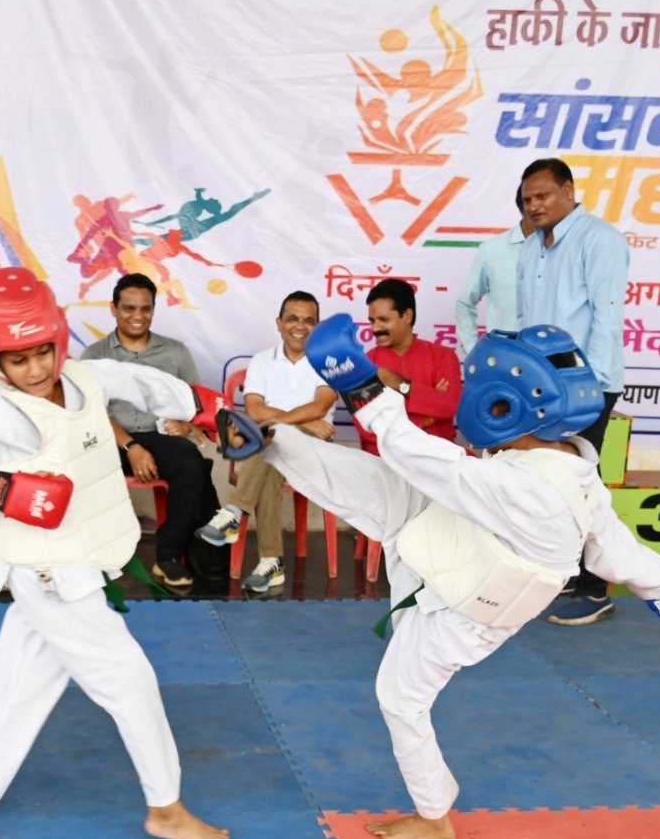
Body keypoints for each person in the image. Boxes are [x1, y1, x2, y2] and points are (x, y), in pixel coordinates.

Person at [220, 316, 660, 839]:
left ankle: (434, 818)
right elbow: (611, 545)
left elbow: (421, 454)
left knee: (400, 698)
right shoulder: (572, 467)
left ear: (505, 406)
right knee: (385, 485)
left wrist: (361, 387)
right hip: (460, 551)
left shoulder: (522, 485)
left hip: (469, 609)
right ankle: (272, 440)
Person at [0, 266, 229, 839]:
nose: (36, 369)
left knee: (22, 687)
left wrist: (206, 407)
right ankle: (166, 807)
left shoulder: (85, 376)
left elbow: (140, 381)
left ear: (58, 341)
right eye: (18, 360)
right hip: (47, 567)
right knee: (130, 678)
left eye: (43, 352)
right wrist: (3, 488)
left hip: (85, 553)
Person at [517, 157, 631, 626]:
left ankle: (595, 588)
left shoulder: (599, 239)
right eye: (528, 199)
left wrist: (593, 386)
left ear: (568, 190)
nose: (534, 205)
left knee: (585, 485)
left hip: (584, 385)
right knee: (548, 481)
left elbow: (607, 316)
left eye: (542, 196)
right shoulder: (531, 247)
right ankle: (569, 571)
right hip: (541, 384)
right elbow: (525, 320)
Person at [81, 272, 221, 588]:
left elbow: (198, 403)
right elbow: (92, 412)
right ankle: (89, 557)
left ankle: (167, 556)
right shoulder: (95, 355)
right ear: (113, 309)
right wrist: (131, 447)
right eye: (129, 308)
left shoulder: (175, 352)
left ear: (153, 310)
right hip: (110, 438)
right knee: (78, 463)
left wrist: (187, 424)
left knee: (190, 462)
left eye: (145, 309)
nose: (138, 316)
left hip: (160, 437)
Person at [197, 290, 337, 592]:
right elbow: (255, 410)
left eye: (309, 321)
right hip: (270, 448)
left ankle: (234, 511)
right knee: (271, 456)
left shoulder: (328, 361)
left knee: (270, 436)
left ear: (317, 326)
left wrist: (282, 422)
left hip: (313, 453)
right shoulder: (262, 361)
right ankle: (272, 563)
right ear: (279, 323)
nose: (300, 326)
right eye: (293, 319)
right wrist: (302, 421)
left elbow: (319, 407)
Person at [355, 277, 461, 457]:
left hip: (439, 458)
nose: (375, 328)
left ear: (407, 316)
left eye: (383, 319)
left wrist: (400, 384)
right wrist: (424, 420)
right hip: (383, 462)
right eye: (372, 321)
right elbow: (367, 428)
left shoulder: (444, 356)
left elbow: (448, 406)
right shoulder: (363, 365)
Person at [453, 183, 533, 358]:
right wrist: (473, 351)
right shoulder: (492, 250)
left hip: (555, 360)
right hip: (505, 358)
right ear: (525, 205)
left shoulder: (565, 249)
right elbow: (465, 303)